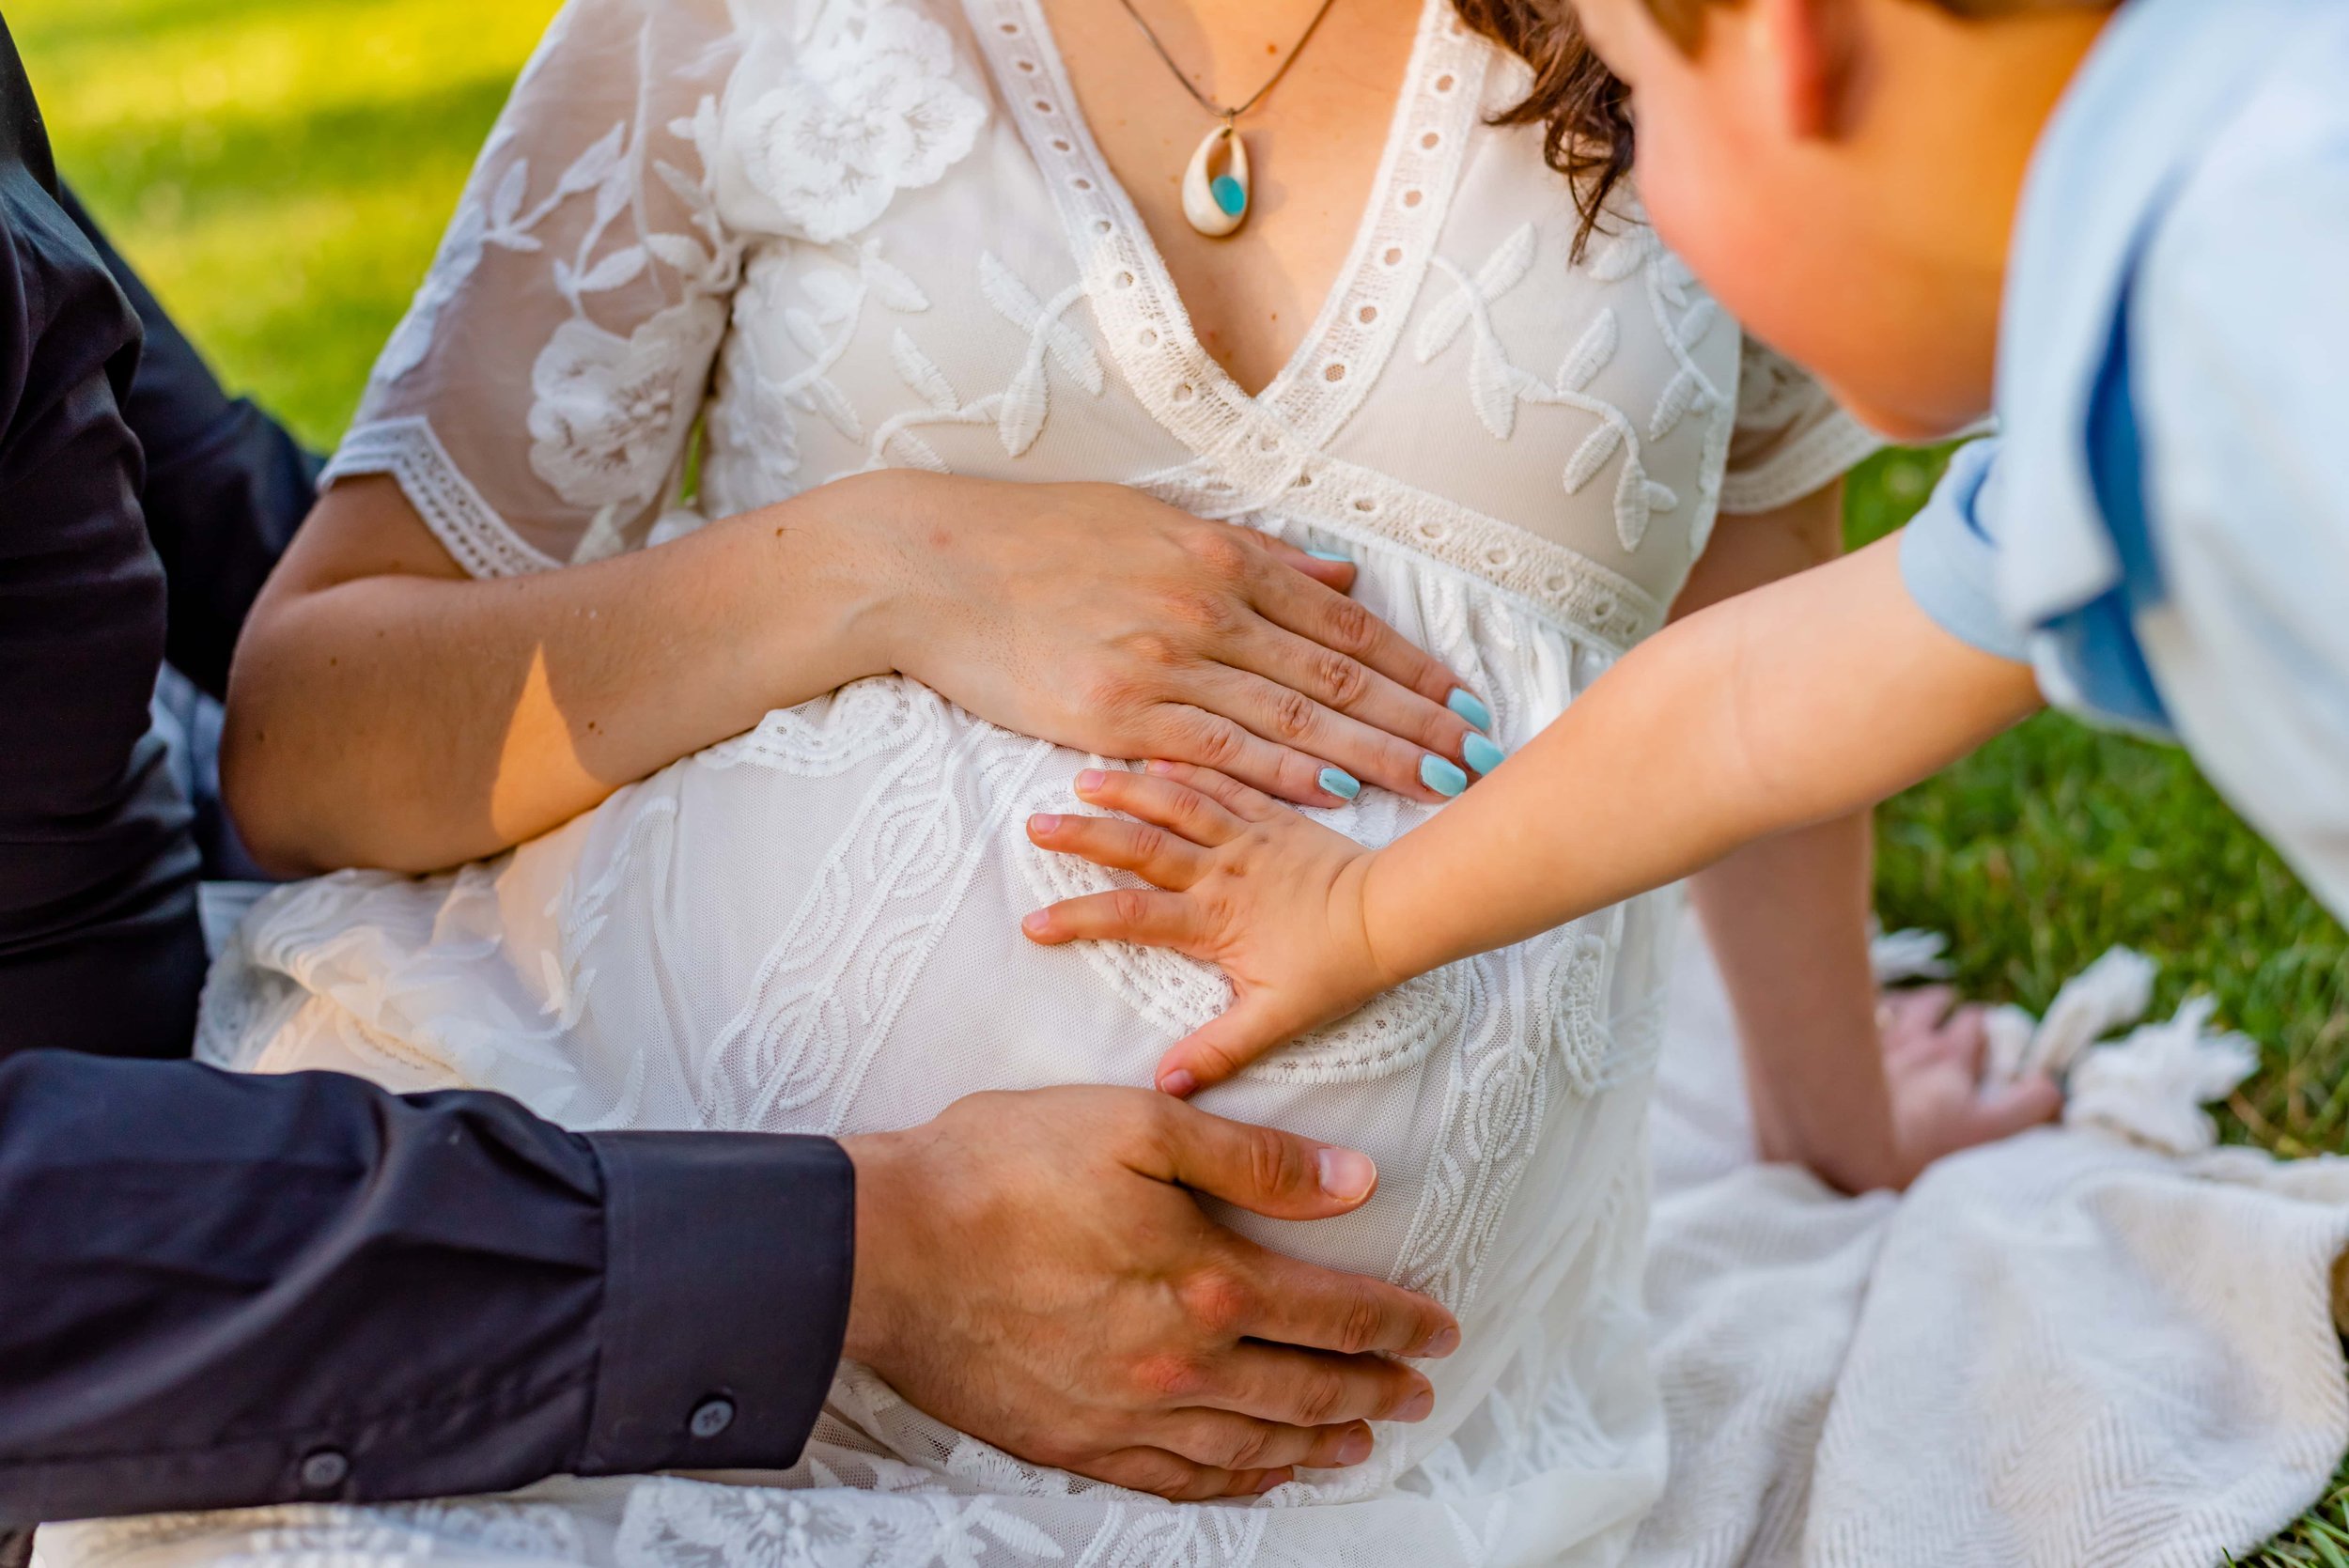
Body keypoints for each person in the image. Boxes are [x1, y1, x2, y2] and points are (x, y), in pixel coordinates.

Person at [61, 1, 2051, 1565]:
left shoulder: (1678, 35)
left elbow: (1759, 591)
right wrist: (881, 563)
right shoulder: (734, 24)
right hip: (653, 1302)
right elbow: (312, 742)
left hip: (1385, 1461)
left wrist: (1828, 1122)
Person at [0, 12, 1455, 1545]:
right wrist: (857, 1255)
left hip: (253, 1146)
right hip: (195, 1350)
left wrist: (862, 593)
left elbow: (225, 555)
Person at [1010, 0, 2349, 1143]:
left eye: (1642, 98)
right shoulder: (2159, 322)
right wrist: (1360, 913)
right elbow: (1750, 705)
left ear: (1790, 41)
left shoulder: (2255, 299)